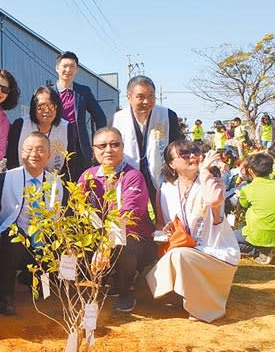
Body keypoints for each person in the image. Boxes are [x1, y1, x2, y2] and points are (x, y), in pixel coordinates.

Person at [145, 140, 240, 322]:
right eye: (184, 154)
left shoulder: (211, 181)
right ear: (172, 164)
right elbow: (159, 222)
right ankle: (164, 294)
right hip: (183, 249)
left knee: (179, 255)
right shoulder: (165, 189)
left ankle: (203, 307)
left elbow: (213, 201)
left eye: (195, 151)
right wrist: (162, 232)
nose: (192, 156)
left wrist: (205, 171)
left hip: (216, 253)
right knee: (176, 255)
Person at [78, 127, 156, 312]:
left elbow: (129, 214)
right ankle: (106, 279)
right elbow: (76, 206)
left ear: (123, 147)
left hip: (133, 238)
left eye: (114, 144)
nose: (108, 150)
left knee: (123, 243)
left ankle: (126, 291)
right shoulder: (88, 176)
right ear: (94, 150)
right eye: (102, 146)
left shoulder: (132, 176)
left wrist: (105, 244)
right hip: (99, 235)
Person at [0, 132, 62, 316]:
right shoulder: (5, 178)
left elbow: (56, 216)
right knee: (13, 238)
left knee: (56, 240)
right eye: (30, 149)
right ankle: (4, 296)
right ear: (21, 153)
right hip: (14, 234)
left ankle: (42, 285)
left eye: (41, 150)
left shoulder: (56, 183)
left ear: (49, 156)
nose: (35, 154)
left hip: (41, 236)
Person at [112, 75, 183, 207]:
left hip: (161, 174)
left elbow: (177, 147)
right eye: (140, 97)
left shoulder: (167, 115)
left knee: (165, 216)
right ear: (129, 97)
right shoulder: (117, 119)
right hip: (129, 177)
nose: (147, 101)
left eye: (151, 96)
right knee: (132, 217)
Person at [54, 51, 107, 179]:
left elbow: (100, 118)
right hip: (55, 146)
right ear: (57, 68)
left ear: (77, 69)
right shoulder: (48, 92)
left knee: (82, 186)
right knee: (55, 186)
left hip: (79, 148)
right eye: (64, 66)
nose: (68, 70)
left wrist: (97, 144)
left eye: (72, 66)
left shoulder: (83, 92)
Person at [236, 153, 275, 264]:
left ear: (251, 171)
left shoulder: (247, 189)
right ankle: (269, 248)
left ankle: (258, 252)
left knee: (229, 240)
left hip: (259, 231)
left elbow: (243, 204)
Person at [6, 86, 76, 177]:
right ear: (34, 107)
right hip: (21, 179)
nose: (47, 110)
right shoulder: (20, 125)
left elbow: (70, 163)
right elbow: (11, 159)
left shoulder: (67, 128)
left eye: (51, 106)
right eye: (41, 106)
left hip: (54, 182)